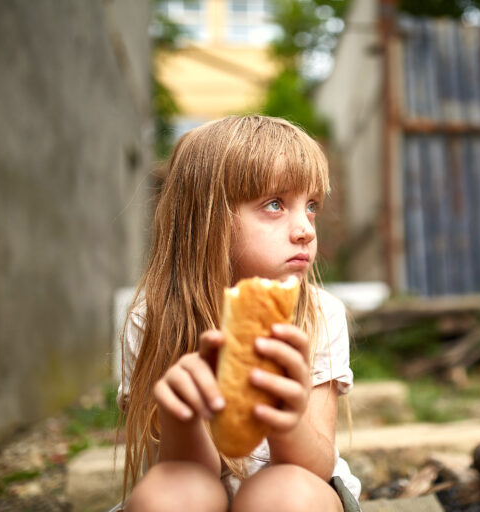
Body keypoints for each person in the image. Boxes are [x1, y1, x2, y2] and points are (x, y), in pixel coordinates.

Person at [116, 115, 361, 512]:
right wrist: (184, 417)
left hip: (297, 488)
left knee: (285, 496)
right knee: (165, 497)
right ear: (207, 218)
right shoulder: (154, 317)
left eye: (311, 205)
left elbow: (316, 466)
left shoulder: (319, 314)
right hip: (197, 488)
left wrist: (289, 419)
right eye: (275, 204)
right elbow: (184, 472)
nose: (305, 229)